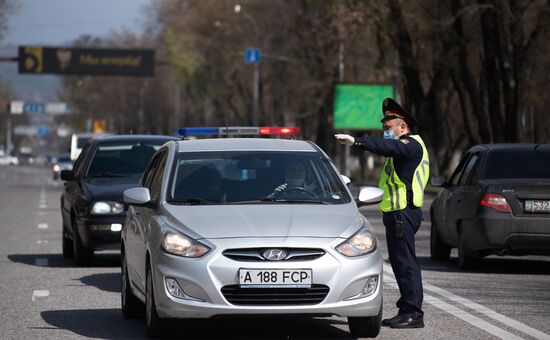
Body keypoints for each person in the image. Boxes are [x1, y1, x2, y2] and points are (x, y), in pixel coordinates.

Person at [335, 98, 429, 329]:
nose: (386, 133)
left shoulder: (410, 145)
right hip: (397, 213)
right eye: (384, 129)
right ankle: (406, 308)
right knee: (400, 263)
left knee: (406, 264)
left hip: (403, 213)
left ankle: (414, 313)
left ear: (403, 127)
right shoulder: (404, 146)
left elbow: (389, 146)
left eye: (388, 128)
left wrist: (357, 141)